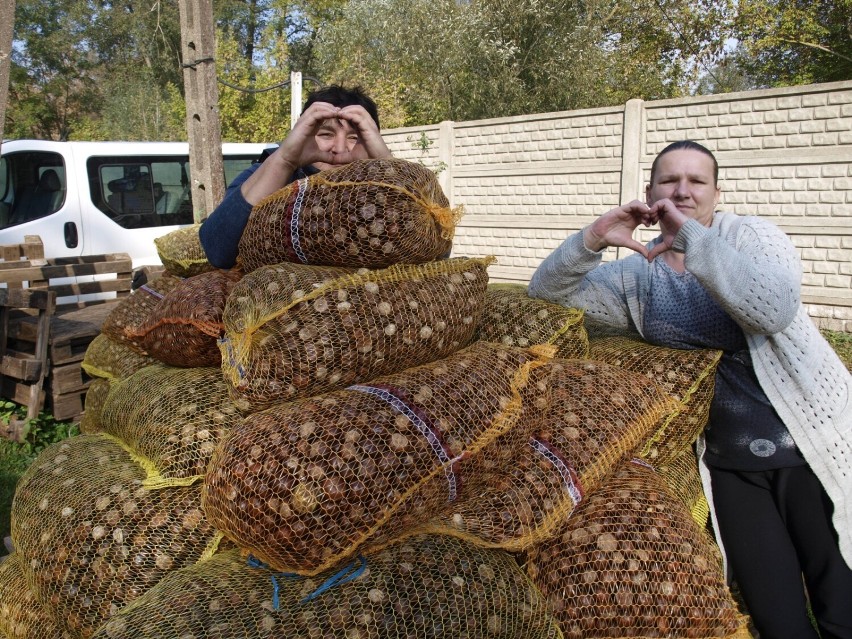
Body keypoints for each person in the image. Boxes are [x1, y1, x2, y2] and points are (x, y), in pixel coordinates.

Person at [528, 140, 852, 639]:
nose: (682, 190)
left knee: (842, 605)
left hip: (812, 443)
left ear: (716, 194)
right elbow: (547, 296)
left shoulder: (751, 237)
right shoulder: (639, 273)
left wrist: (695, 241)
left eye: (697, 181)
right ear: (649, 193)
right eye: (669, 180)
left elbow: (771, 308)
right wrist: (591, 240)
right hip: (729, 461)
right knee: (776, 616)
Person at [200, 85, 392, 269]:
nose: (339, 149)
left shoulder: (384, 184)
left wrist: (385, 163)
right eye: (326, 134)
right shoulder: (264, 173)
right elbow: (217, 251)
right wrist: (284, 161)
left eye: (354, 138)